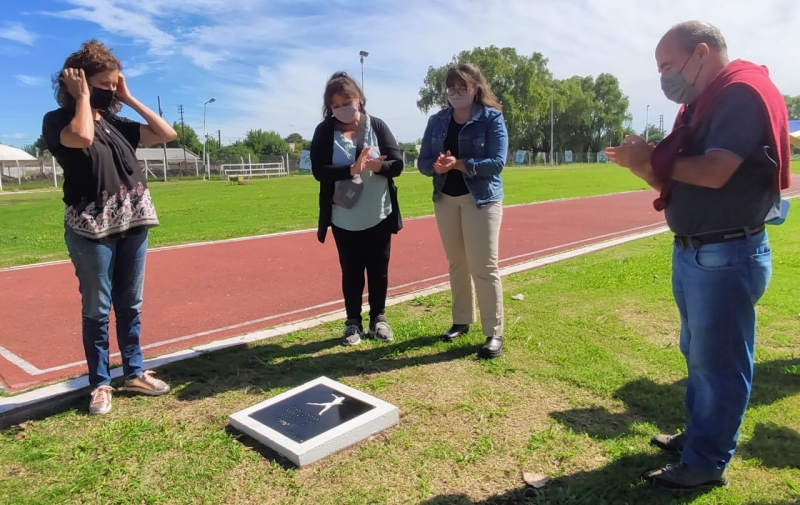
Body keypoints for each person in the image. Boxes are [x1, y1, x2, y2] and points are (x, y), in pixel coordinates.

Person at [606, 21, 791, 490]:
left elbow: (714, 171)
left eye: (667, 65)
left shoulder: (740, 94)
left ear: (701, 54)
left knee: (720, 361)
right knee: (699, 353)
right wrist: (645, 166)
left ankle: (707, 462)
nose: (664, 77)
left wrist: (651, 162)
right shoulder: (704, 102)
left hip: (726, 251)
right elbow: (672, 178)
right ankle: (701, 437)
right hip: (701, 251)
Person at [42, 40, 178, 415]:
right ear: (79, 82)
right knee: (98, 309)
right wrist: (82, 96)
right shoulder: (58, 122)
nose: (110, 91)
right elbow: (82, 137)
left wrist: (129, 97)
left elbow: (166, 134)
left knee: (130, 305)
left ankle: (134, 372)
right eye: (104, 83)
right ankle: (100, 383)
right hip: (90, 229)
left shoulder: (117, 122)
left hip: (133, 222)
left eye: (113, 84)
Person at [417, 63, 509, 359]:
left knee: (483, 265)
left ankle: (493, 332)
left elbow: (496, 163)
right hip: (446, 197)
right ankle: (461, 321)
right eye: (451, 89)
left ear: (476, 88)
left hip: (481, 200)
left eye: (462, 88)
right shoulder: (437, 120)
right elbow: (422, 163)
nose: (456, 94)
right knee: (457, 262)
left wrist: (459, 163)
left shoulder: (491, 118)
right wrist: (437, 165)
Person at [310, 72, 404, 346]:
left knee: (379, 269)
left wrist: (377, 166)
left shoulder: (377, 125)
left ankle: (379, 319)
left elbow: (397, 164)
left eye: (347, 101)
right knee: (350, 270)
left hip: (379, 213)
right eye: (336, 104)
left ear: (359, 99)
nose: (343, 108)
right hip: (344, 217)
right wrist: (351, 169)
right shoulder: (324, 131)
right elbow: (319, 171)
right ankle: (353, 323)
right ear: (330, 106)